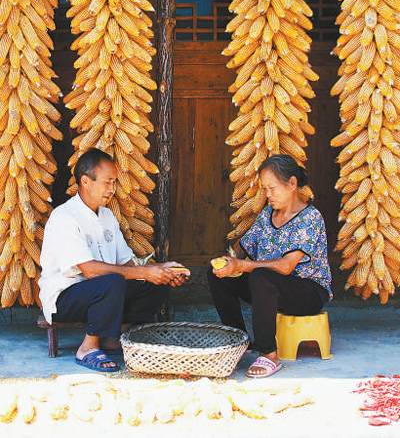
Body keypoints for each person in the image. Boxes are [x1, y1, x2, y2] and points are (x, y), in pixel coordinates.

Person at [39, 148, 189, 372]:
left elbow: (127, 264)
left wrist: (161, 271)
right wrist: (145, 273)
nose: (112, 189)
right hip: (66, 297)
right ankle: (88, 348)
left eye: (114, 183)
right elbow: (89, 271)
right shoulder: (64, 217)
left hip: (103, 291)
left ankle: (110, 337)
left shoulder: (107, 216)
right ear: (85, 181)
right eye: (107, 182)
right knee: (112, 281)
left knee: (156, 287)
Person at [208, 154, 332, 378]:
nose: (268, 195)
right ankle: (238, 339)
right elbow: (244, 245)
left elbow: (286, 267)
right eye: (265, 189)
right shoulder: (268, 213)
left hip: (307, 292)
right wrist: (229, 259)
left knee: (260, 276)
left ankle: (269, 354)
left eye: (272, 188)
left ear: (292, 184)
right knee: (218, 275)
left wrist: (242, 265)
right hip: (270, 287)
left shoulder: (310, 218)